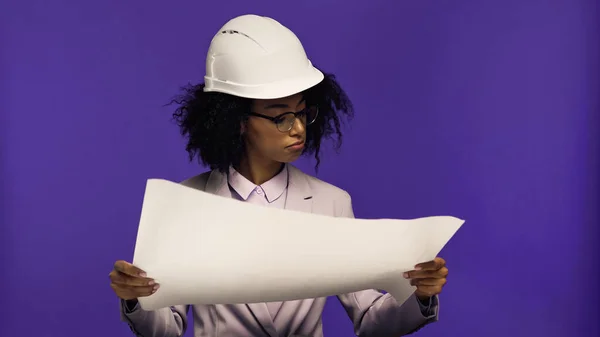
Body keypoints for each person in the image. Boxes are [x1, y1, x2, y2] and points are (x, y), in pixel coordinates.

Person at [109, 14, 450, 337]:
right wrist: (136, 298)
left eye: (303, 112)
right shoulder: (187, 204)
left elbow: (370, 318)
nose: (298, 128)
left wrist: (420, 295)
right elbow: (168, 326)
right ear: (237, 121)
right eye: (280, 117)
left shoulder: (331, 203)